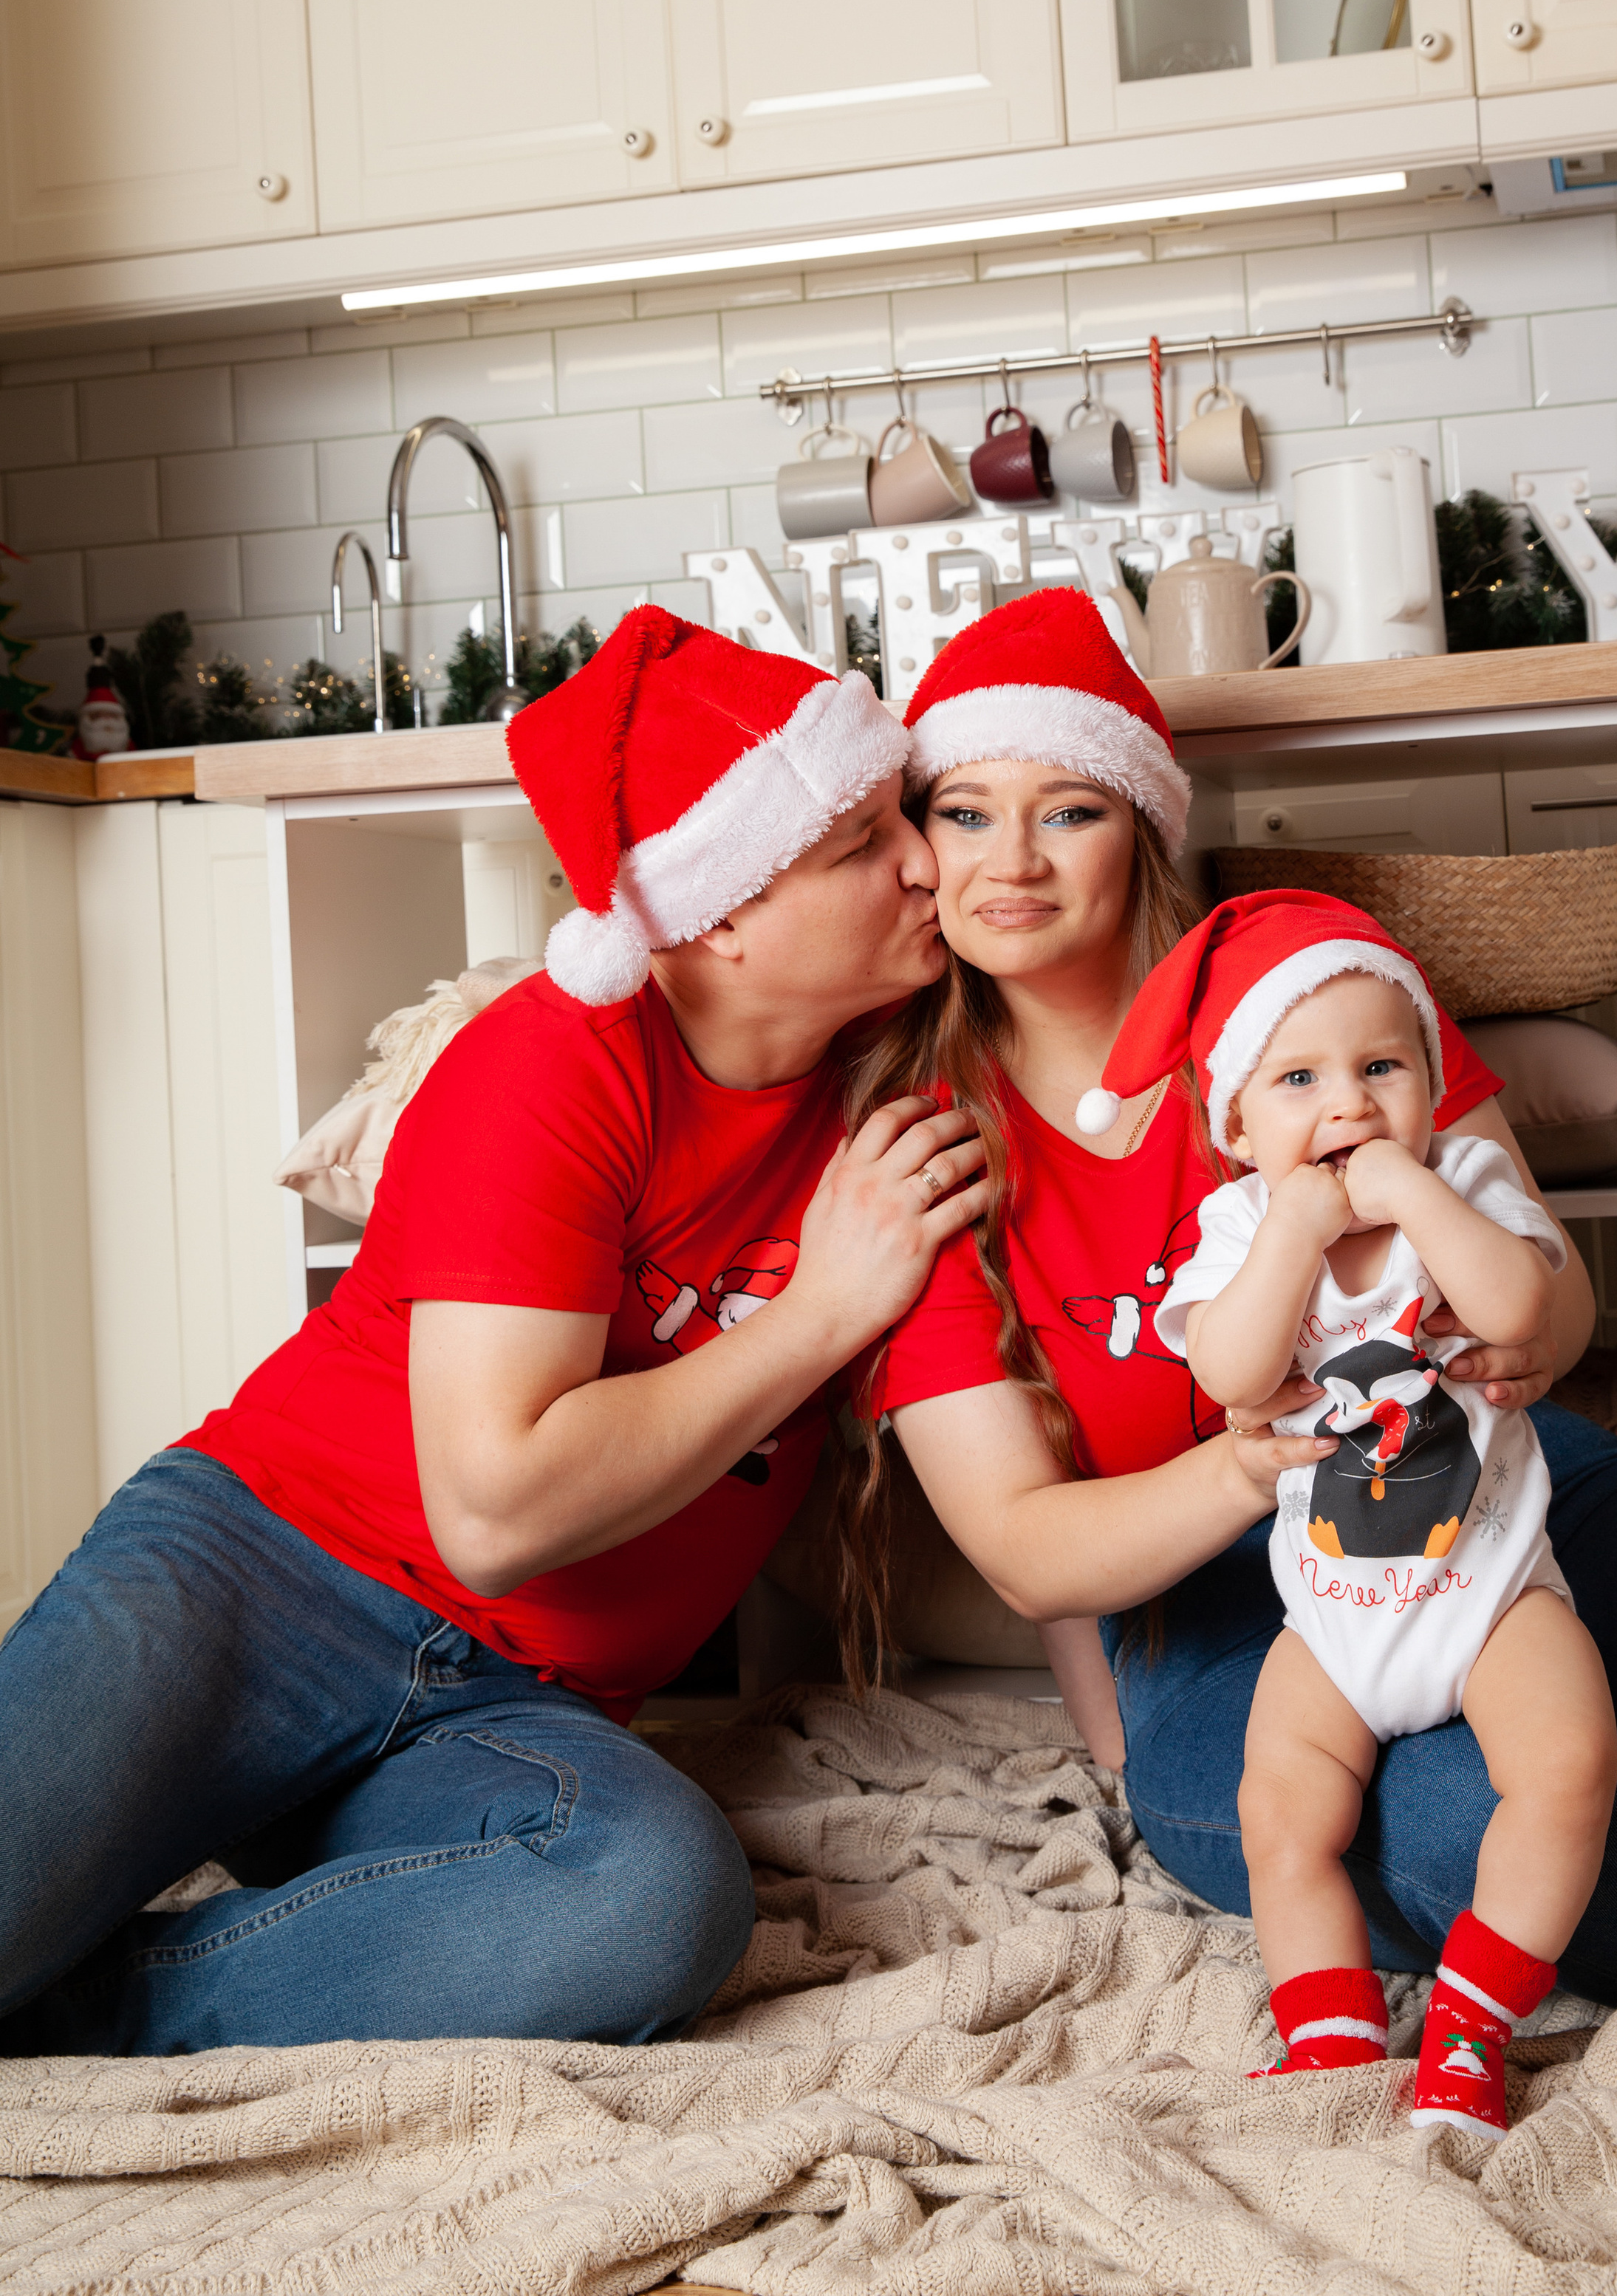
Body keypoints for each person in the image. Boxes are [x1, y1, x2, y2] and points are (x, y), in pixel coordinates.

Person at [852, 585, 1617, 2018]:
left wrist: (1510, 1326)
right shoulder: (918, 1148)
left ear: (1142, 823)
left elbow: (1552, 1314)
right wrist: (1239, 1465)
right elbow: (1029, 1556)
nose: (1010, 862)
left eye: (1068, 811)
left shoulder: (1321, 1008)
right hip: (1224, 1632)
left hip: (1514, 1502)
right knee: (1511, 1824)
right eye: (963, 812)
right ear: (919, 841)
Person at [0, 609, 988, 2057]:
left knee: (645, 1903)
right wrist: (819, 1315)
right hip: (259, 1578)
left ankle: (90, 2014)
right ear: (714, 910)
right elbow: (496, 1509)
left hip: (521, 1710)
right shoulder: (554, 1059)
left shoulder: (900, 1104)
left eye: (909, 814)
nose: (924, 858)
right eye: (859, 844)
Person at [1092, 893, 1616, 2130]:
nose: (1348, 1104)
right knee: (1281, 1812)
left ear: (1431, 1089)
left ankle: (1474, 2025)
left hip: (1488, 1590)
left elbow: (1515, 1309)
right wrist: (1296, 1232)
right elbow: (1226, 1376)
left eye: (1383, 1067)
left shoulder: (1467, 1178)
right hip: (1330, 1614)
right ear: (1235, 1125)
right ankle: (1327, 2028)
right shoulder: (1234, 1227)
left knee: (1570, 1767)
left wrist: (1412, 1195)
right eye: (1299, 1081)